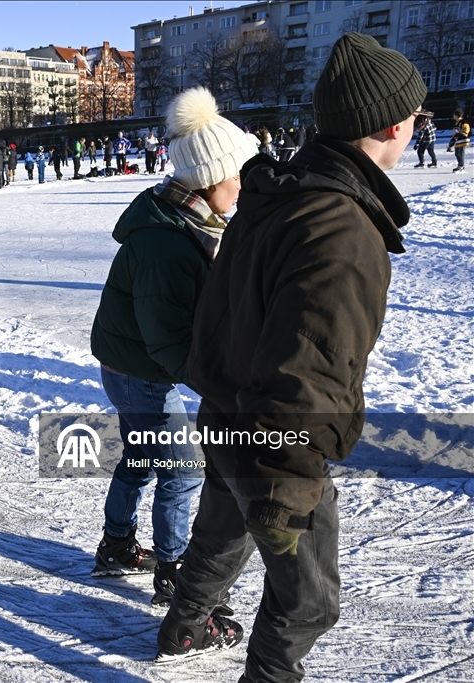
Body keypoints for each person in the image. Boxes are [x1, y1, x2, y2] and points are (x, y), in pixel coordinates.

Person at [156, 34, 428, 679]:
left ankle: (186, 624)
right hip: (273, 438)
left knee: (223, 530)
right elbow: (312, 362)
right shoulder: (340, 227)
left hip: (229, 411)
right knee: (306, 600)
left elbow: (230, 309)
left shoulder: (278, 190)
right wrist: (290, 481)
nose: (420, 127)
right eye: (417, 116)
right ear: (392, 125)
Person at [90, 87, 256, 608]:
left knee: (141, 455)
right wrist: (223, 387)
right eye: (239, 175)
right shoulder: (167, 242)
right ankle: (175, 567)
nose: (243, 186)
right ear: (210, 178)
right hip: (143, 370)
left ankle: (116, 544)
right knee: (184, 467)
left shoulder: (188, 223)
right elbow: (168, 341)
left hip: (130, 364)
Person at [446, 108, 469, 173]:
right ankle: (460, 165)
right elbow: (455, 133)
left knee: (461, 153)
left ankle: (461, 166)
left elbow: (466, 132)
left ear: (456, 115)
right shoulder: (456, 123)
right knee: (457, 153)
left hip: (463, 140)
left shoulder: (463, 123)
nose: (453, 116)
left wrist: (459, 133)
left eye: (454, 115)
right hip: (458, 140)